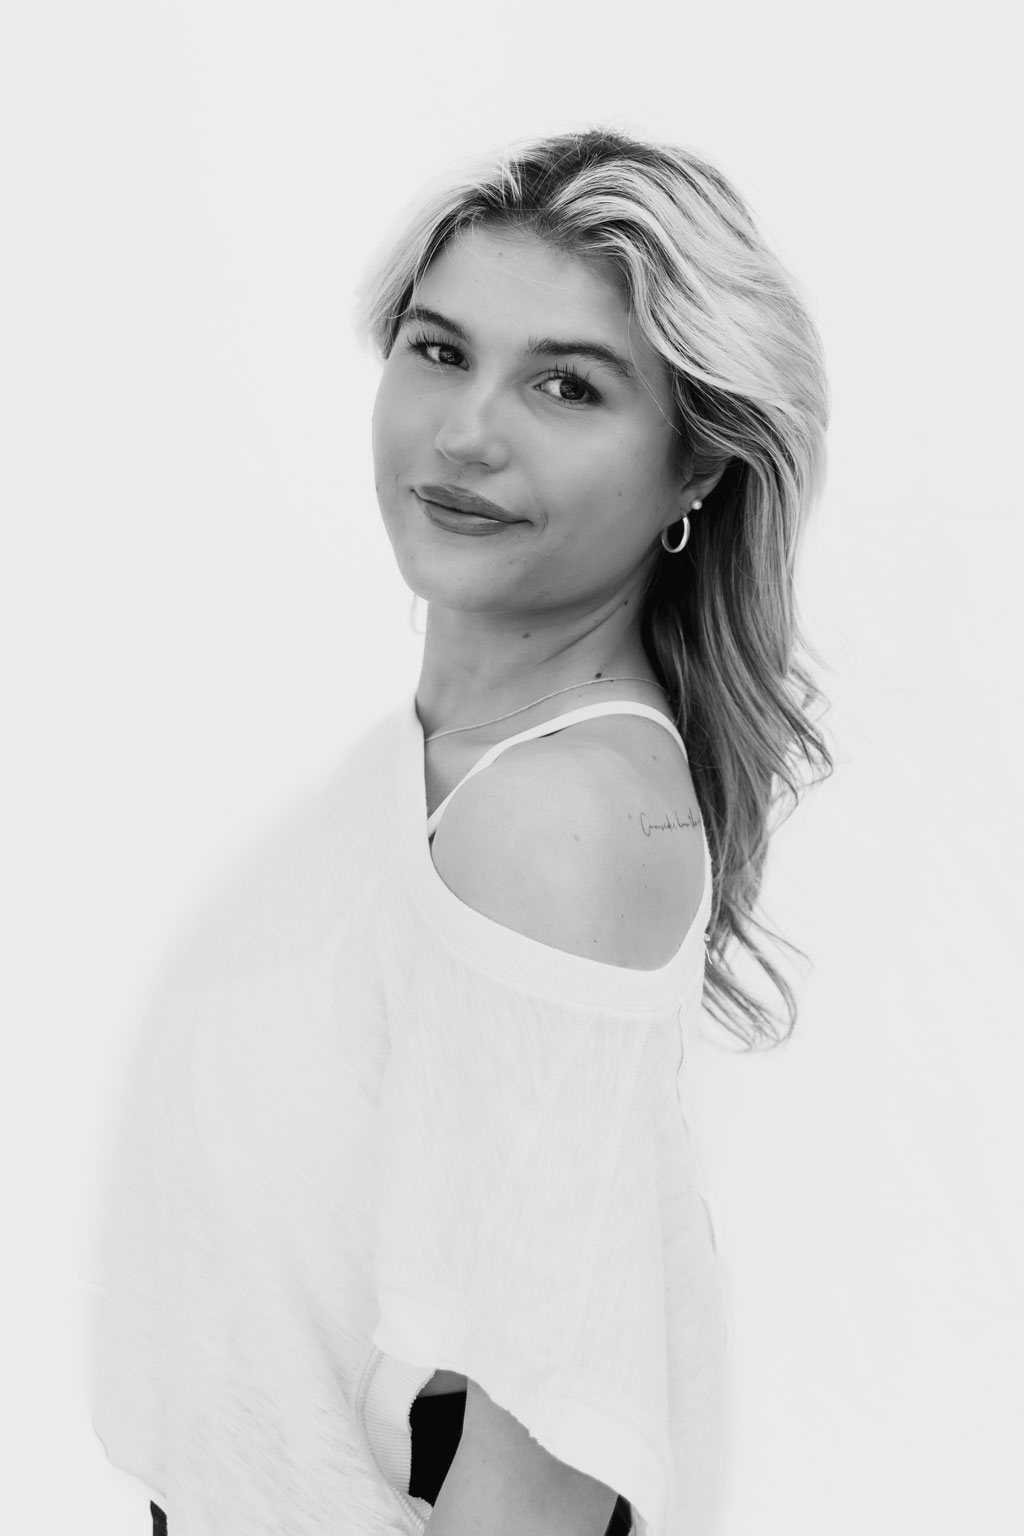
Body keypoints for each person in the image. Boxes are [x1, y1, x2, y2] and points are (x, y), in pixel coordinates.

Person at [91, 127, 832, 1536]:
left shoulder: (556, 820)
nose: (469, 431)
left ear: (696, 467)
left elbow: (548, 1455)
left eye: (568, 384)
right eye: (440, 351)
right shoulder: (458, 764)